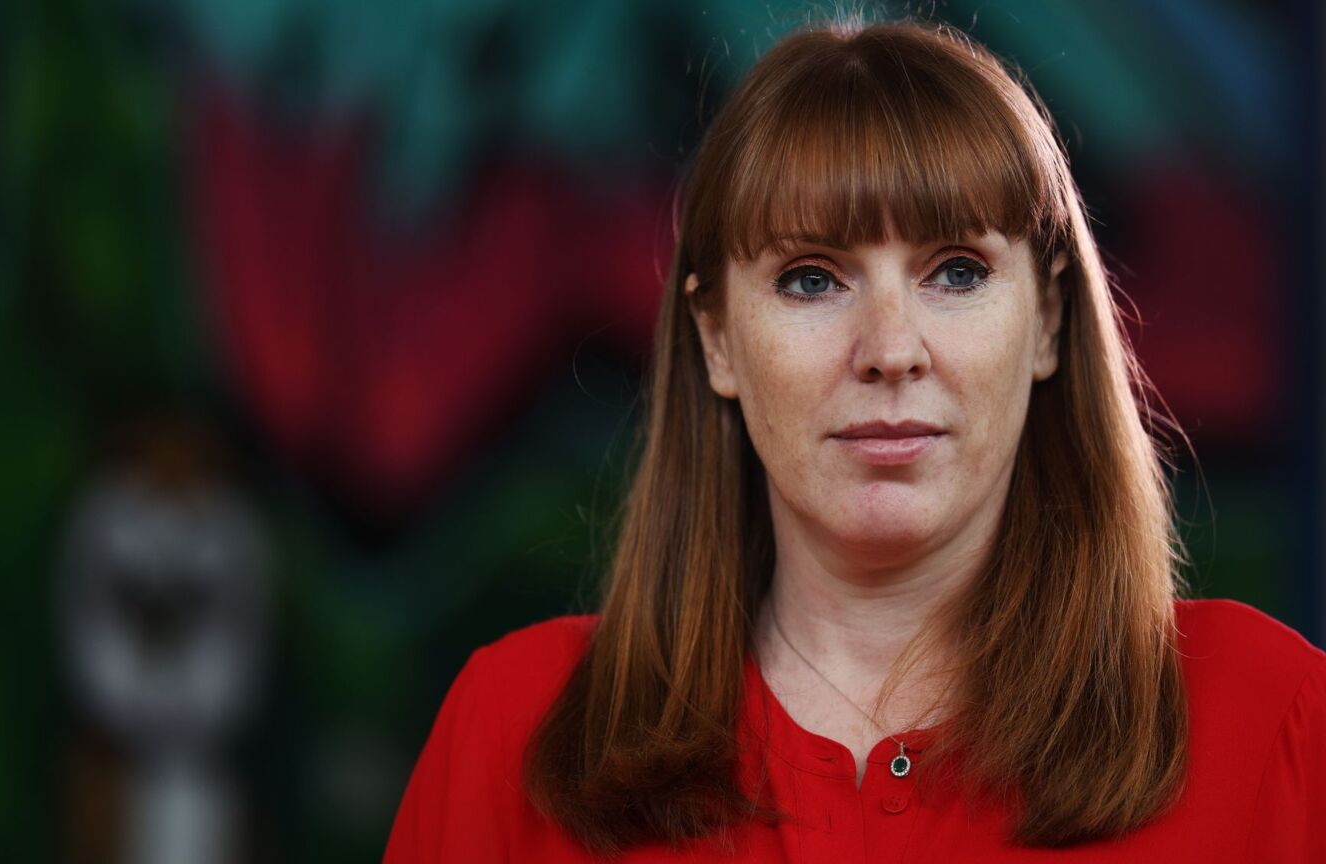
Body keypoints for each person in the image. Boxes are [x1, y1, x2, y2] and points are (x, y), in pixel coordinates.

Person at [384, 16, 1326, 863]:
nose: (890, 351)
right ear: (718, 340)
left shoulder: (1274, 720)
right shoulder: (514, 731)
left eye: (956, 272)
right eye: (811, 278)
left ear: (1046, 322)